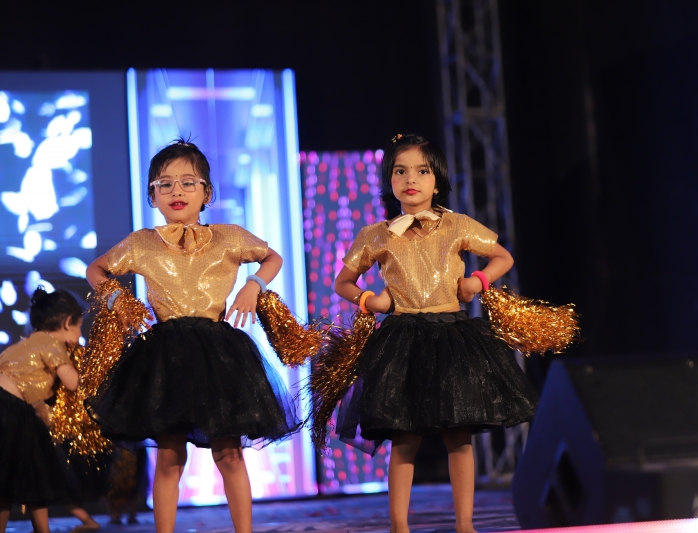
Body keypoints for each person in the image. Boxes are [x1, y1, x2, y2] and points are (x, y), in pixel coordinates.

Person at [84, 139, 300, 533]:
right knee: (169, 457)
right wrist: (117, 299)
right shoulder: (142, 242)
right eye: (164, 184)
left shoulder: (229, 236)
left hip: (219, 356)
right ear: (152, 196)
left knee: (229, 453)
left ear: (207, 193)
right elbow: (95, 269)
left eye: (187, 182)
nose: (176, 191)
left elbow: (273, 257)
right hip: (164, 357)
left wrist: (254, 285)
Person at [331, 133, 538, 533]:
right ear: (390, 180)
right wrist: (369, 299)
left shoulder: (456, 225)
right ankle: (399, 525)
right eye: (400, 171)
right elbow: (343, 282)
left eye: (422, 171)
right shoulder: (377, 234)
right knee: (404, 437)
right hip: (403, 339)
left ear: (437, 181)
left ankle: (465, 525)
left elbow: (502, 256)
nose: (411, 179)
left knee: (458, 435)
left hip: (452, 336)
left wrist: (478, 281)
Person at [0, 288, 83, 533]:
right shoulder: (50, 342)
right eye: (80, 327)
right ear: (67, 322)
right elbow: (72, 383)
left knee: (31, 472)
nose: (80, 335)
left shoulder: (22, 344)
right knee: (9, 479)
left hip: (15, 410)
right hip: (9, 410)